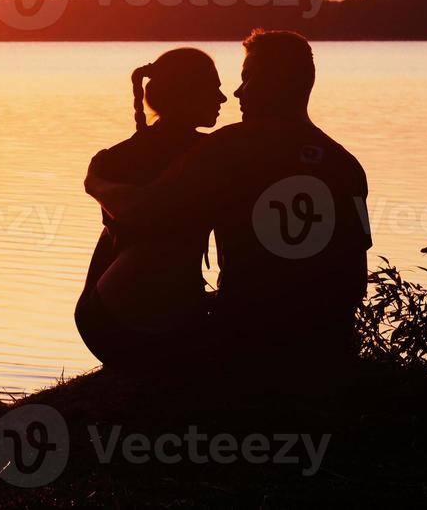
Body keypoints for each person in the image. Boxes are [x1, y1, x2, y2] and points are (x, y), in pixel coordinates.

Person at [88, 30, 372, 373]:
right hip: (323, 341)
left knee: (137, 229)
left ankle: (111, 323)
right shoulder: (345, 164)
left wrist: (97, 184)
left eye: (247, 78)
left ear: (277, 83)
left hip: (245, 340)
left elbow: (142, 211)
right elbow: (355, 278)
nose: (237, 92)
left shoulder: (228, 147)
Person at [74, 48, 227, 368]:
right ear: (187, 94)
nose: (223, 98)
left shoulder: (110, 159)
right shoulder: (214, 155)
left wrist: (95, 184)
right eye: (213, 88)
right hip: (149, 326)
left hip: (97, 316)